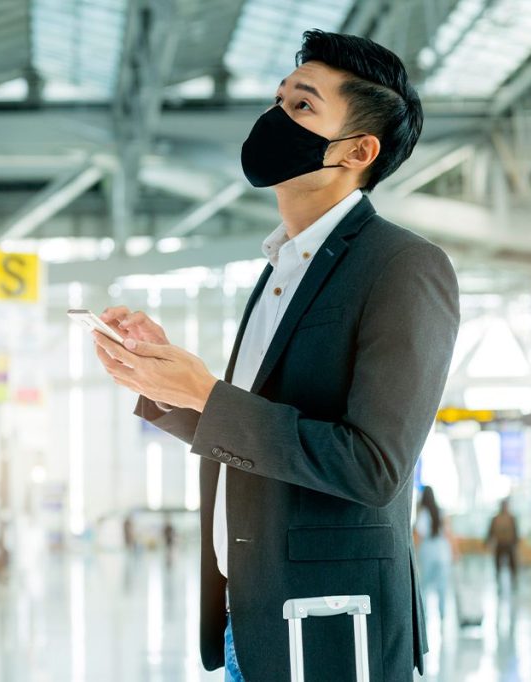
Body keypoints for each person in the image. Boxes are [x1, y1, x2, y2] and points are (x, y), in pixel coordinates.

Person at [92, 29, 458, 682]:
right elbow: (255, 434)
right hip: (251, 620)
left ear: (358, 150)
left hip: (328, 632)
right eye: (278, 99)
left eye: (302, 107)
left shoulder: (403, 267)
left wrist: (208, 394)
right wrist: (162, 381)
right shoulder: (279, 268)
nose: (274, 118)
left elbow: (374, 467)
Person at [414, 486, 453, 622]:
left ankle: (424, 615)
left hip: (428, 551)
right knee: (442, 585)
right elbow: (449, 534)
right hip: (443, 551)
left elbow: (419, 535)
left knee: (425, 585)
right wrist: (455, 552)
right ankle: (442, 614)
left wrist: (415, 553)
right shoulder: (441, 512)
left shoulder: (424, 513)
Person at [485, 498, 520, 592]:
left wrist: (516, 543)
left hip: (509, 544)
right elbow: (490, 531)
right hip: (500, 544)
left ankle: (514, 581)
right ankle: (498, 582)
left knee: (512, 565)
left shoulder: (511, 518)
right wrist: (487, 542)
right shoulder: (496, 519)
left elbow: (515, 531)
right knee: (497, 565)